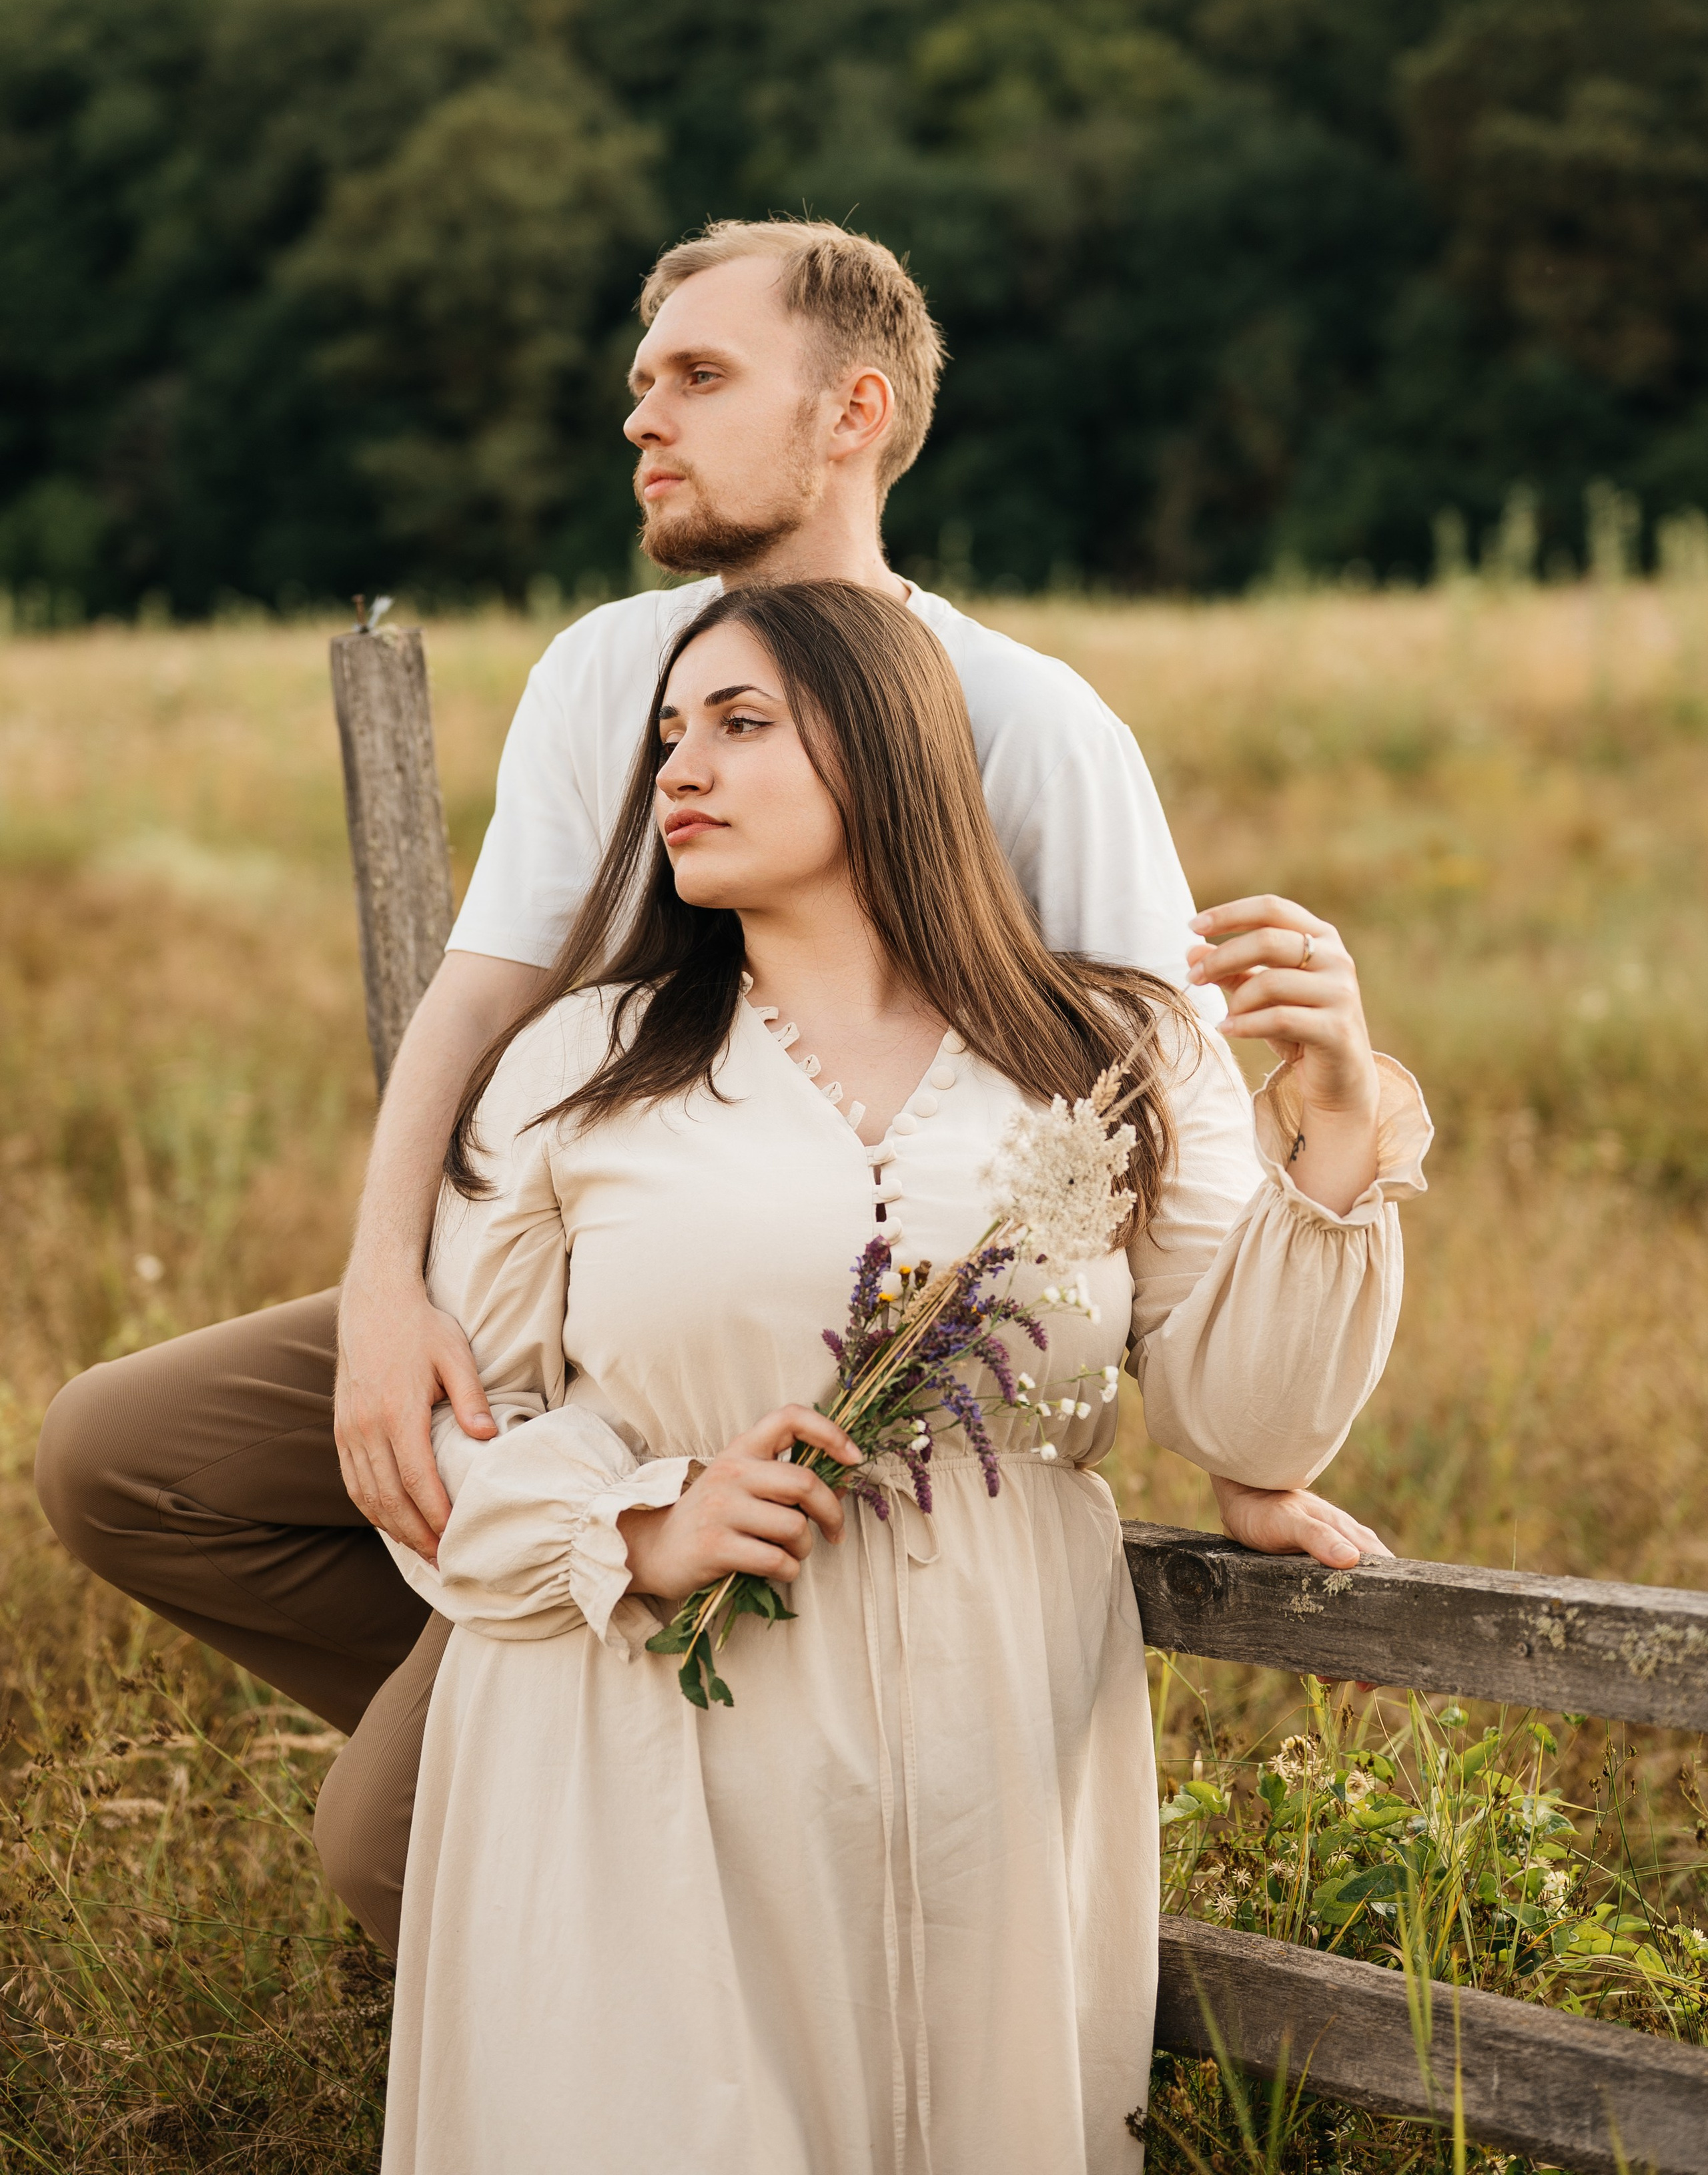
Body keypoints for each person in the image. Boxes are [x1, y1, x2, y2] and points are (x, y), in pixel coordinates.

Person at [34, 218, 1390, 1957]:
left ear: (854, 412)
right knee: (123, 1459)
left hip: (810, 1346)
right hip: (568, 1286)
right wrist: (385, 1288)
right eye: (637, 383)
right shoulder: (611, 667)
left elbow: (1150, 1097)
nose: (641, 418)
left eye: (697, 375)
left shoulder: (1026, 720)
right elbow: (480, 997)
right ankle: (604, 1726)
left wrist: (1248, 1446)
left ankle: (591, 1763)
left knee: (389, 1852)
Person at [370, 578, 1430, 2175]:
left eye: (739, 726)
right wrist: (639, 1528)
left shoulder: (1120, 1051)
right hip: (643, 1751)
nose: (678, 771)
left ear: (887, 752)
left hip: (998, 1757)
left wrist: (1338, 1117)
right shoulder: (575, 1069)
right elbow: (435, 1459)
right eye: (669, 734)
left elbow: (1250, 1420)